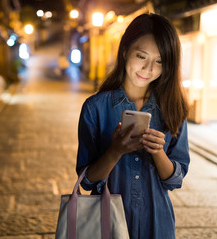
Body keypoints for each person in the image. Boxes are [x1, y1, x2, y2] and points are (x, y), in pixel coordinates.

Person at [76, 13, 190, 238]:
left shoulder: (173, 108)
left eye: (160, 61)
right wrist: (115, 150)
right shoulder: (95, 108)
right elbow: (87, 181)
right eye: (141, 56)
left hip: (157, 223)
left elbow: (175, 180)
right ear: (125, 50)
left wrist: (158, 152)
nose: (149, 69)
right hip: (107, 222)